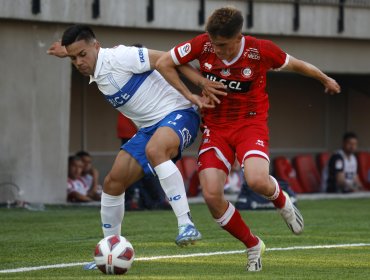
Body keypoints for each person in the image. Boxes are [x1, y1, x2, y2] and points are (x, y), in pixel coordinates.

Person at [156, 7, 341, 271]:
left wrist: (325, 78)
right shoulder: (203, 44)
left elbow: (297, 64)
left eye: (222, 45)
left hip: (249, 124)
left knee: (255, 181)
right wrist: (197, 88)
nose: (216, 50)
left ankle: (282, 201)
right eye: (213, 44)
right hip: (216, 128)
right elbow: (165, 62)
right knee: (210, 195)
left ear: (238, 37)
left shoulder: (260, 51)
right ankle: (253, 245)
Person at [47, 25, 210, 268]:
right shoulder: (93, 68)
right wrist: (67, 52)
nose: (78, 62)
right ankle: (110, 249)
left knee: (155, 151)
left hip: (179, 113)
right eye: (73, 58)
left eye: (82, 54)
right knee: (113, 183)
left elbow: (167, 60)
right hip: (148, 129)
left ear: (97, 46)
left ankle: (186, 224)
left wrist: (199, 87)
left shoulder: (121, 56)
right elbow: (77, 53)